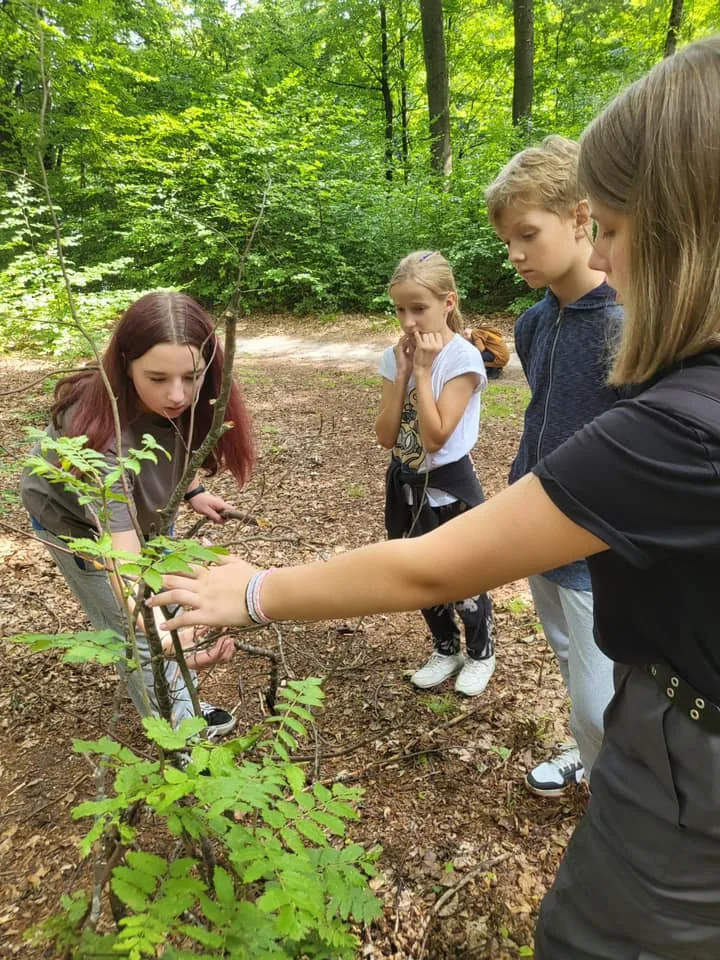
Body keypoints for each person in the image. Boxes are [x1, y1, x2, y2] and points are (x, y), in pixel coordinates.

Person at [152, 37, 720, 958]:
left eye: (611, 226)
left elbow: (434, 565)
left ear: (685, 227)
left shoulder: (682, 425)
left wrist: (253, 591)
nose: (607, 254)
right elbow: (413, 435)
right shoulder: (614, 360)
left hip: (688, 774)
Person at [21, 291, 255, 735]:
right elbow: (124, 560)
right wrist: (157, 630)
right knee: (139, 633)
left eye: (192, 376)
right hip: (79, 527)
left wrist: (193, 491)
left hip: (140, 514)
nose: (178, 394)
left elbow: (168, 449)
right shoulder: (100, 435)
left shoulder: (192, 398)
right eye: (158, 378)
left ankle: (182, 706)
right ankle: (180, 739)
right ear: (125, 365)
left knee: (157, 624)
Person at [485, 135, 622, 797]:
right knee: (572, 666)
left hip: (601, 549)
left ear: (580, 217)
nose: (514, 255)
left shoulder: (631, 323)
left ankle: (622, 802)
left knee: (605, 698)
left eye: (527, 235)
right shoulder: (533, 325)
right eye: (507, 240)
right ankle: (592, 759)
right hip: (540, 531)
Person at [378, 251, 495, 697]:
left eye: (418, 308)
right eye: (400, 309)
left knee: (465, 575)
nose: (408, 321)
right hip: (405, 484)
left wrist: (423, 374)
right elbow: (387, 435)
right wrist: (404, 371)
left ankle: (481, 653)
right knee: (420, 573)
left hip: (450, 486)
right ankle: (445, 648)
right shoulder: (395, 358)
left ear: (448, 302)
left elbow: (435, 438)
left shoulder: (462, 359)